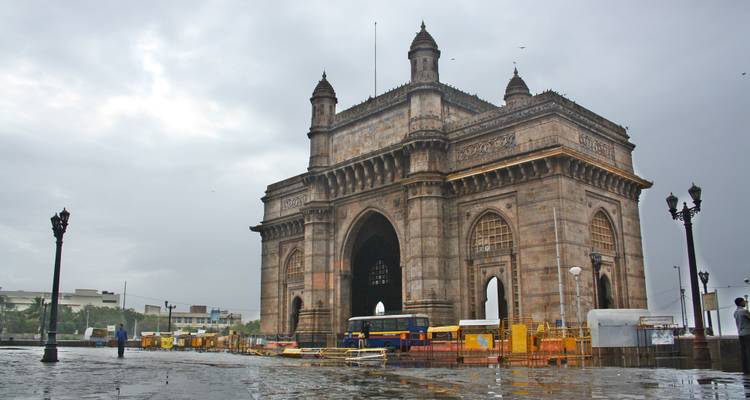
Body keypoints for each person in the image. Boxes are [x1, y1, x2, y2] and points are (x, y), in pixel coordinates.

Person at [734, 297, 750, 373]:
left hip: (740, 334)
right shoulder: (744, 311)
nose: (745, 302)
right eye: (744, 301)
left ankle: (745, 369)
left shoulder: (735, 312)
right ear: (740, 303)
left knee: (743, 352)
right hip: (748, 333)